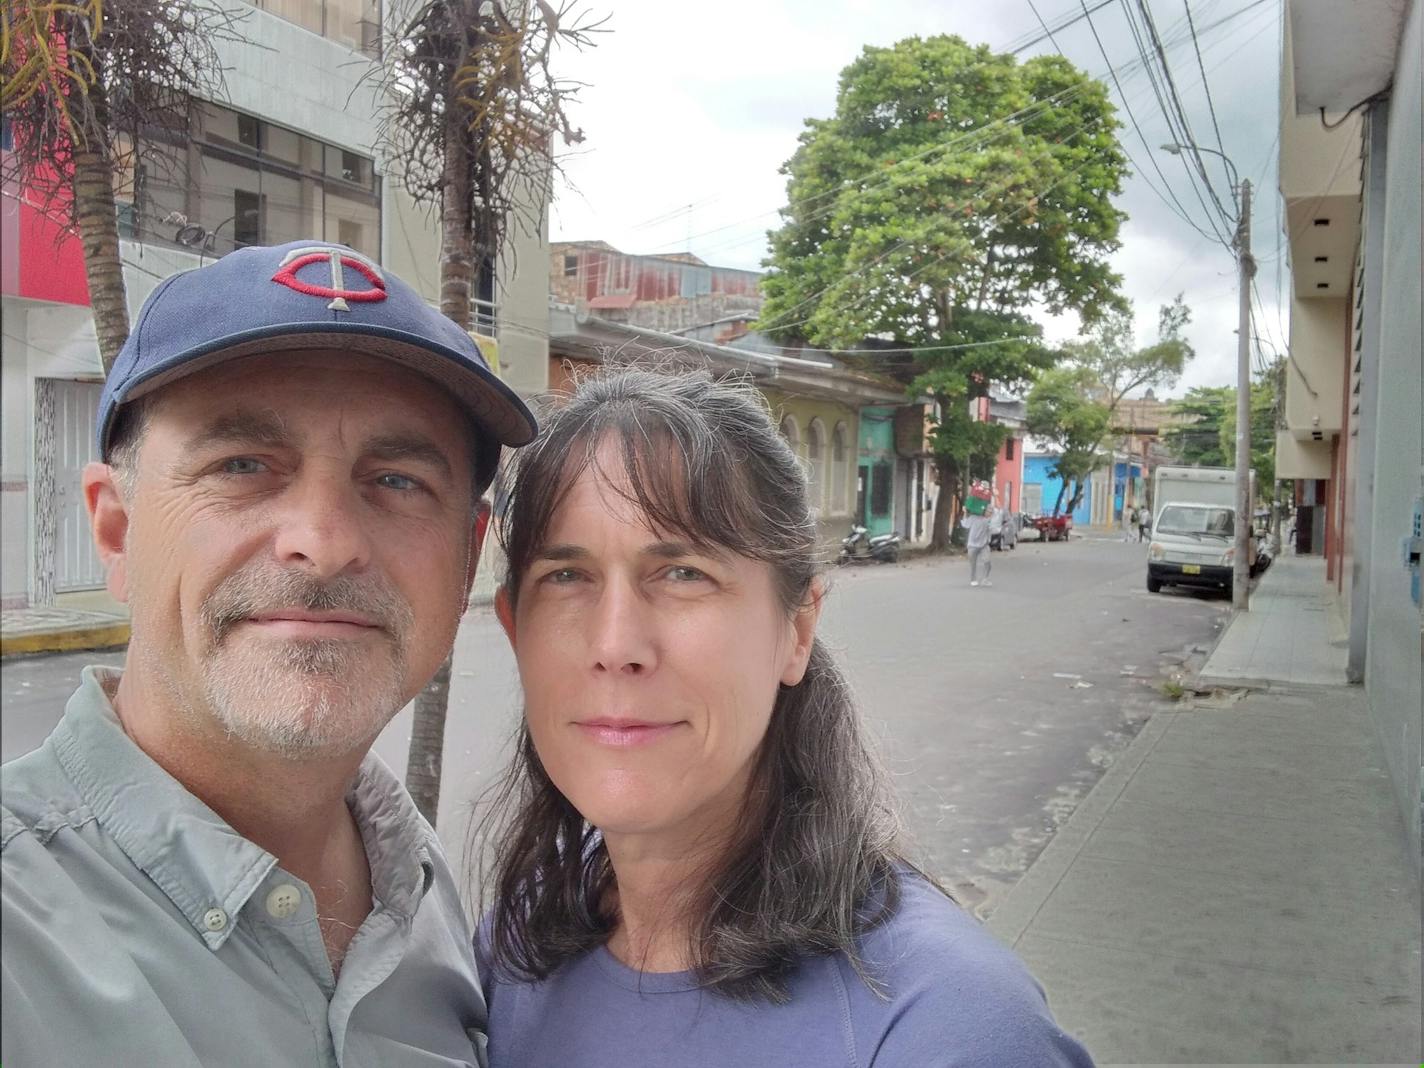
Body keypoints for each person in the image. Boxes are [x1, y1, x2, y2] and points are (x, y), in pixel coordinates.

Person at [0, 240, 537, 1066]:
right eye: (242, 465)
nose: (323, 544)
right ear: (116, 527)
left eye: (396, 480)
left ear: (468, 556)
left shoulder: (421, 890)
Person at [475, 367, 1093, 1067]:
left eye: (684, 574)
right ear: (514, 628)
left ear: (796, 631)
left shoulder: (949, 1028)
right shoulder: (522, 937)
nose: (616, 645)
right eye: (567, 577)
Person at [963, 499, 993, 587]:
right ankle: (973, 579)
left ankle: (985, 579)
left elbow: (993, 528)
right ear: (984, 510)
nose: (990, 513)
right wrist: (965, 512)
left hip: (984, 545)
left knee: (987, 562)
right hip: (972, 545)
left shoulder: (989, 520)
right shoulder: (974, 517)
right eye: (989, 511)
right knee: (973, 564)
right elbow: (965, 524)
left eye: (991, 511)